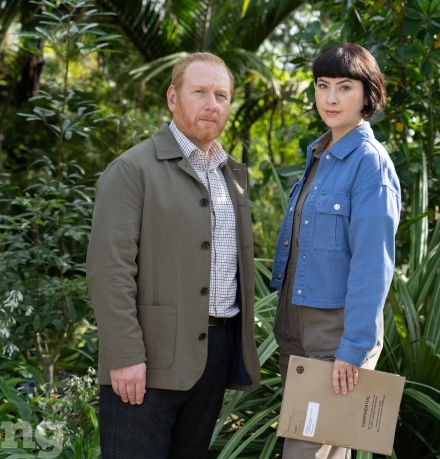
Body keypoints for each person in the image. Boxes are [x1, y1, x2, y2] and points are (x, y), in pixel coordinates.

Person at [86, 52, 260, 459]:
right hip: (148, 359)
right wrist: (126, 356)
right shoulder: (132, 170)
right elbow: (108, 271)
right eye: (199, 92)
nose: (211, 104)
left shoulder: (230, 176)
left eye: (222, 95)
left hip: (214, 353)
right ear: (172, 97)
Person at [270, 43, 401, 458]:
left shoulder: (369, 163)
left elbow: (372, 263)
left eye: (344, 87)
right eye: (322, 85)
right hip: (295, 328)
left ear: (368, 95)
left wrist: (354, 348)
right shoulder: (320, 154)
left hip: (336, 334)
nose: (330, 97)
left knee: (304, 452)